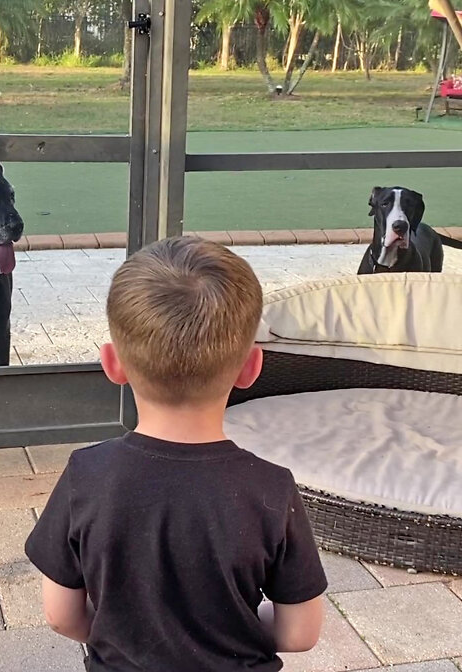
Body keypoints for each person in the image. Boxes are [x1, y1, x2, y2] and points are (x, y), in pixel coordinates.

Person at [25, 236, 327, 672]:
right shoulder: (272, 489)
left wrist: (126, 635)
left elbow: (60, 615)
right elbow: (301, 632)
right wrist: (231, 629)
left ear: (113, 365)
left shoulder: (86, 475)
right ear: (251, 368)